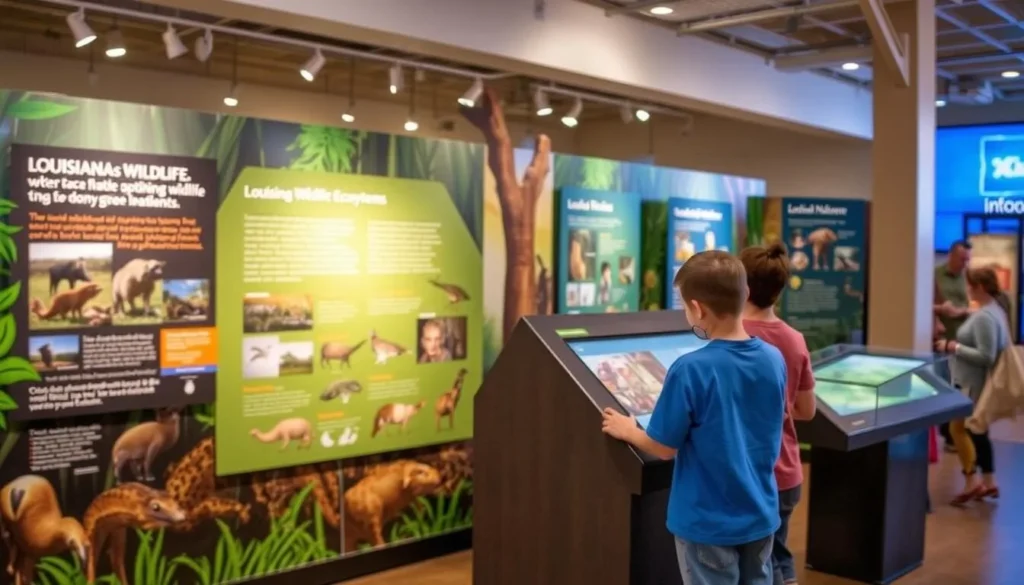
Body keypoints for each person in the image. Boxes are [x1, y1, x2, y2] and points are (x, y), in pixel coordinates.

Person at [602, 250, 786, 585]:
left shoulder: (690, 369)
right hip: (760, 514)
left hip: (707, 522)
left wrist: (628, 430)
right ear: (745, 295)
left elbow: (663, 447)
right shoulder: (774, 358)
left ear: (697, 309)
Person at [740, 243, 816, 585]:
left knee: (753, 565)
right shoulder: (794, 340)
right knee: (778, 553)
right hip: (785, 471)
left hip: (746, 475)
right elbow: (806, 409)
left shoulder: (730, 336)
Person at [934, 266, 1009, 505]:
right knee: (978, 431)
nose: (968, 289)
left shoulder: (985, 317)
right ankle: (989, 481)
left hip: (970, 383)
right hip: (974, 383)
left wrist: (952, 347)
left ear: (981, 288)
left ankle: (971, 481)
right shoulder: (993, 311)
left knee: (959, 430)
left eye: (972, 286)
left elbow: (986, 355)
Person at [934, 240, 972, 452]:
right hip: (942, 342)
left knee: (960, 387)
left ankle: (955, 434)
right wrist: (941, 309)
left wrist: (961, 312)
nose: (965, 263)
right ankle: (948, 434)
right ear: (951, 255)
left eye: (968, 259)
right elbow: (923, 303)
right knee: (945, 387)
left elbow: (976, 306)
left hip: (964, 342)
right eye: (962, 258)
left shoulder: (969, 278)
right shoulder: (935, 276)